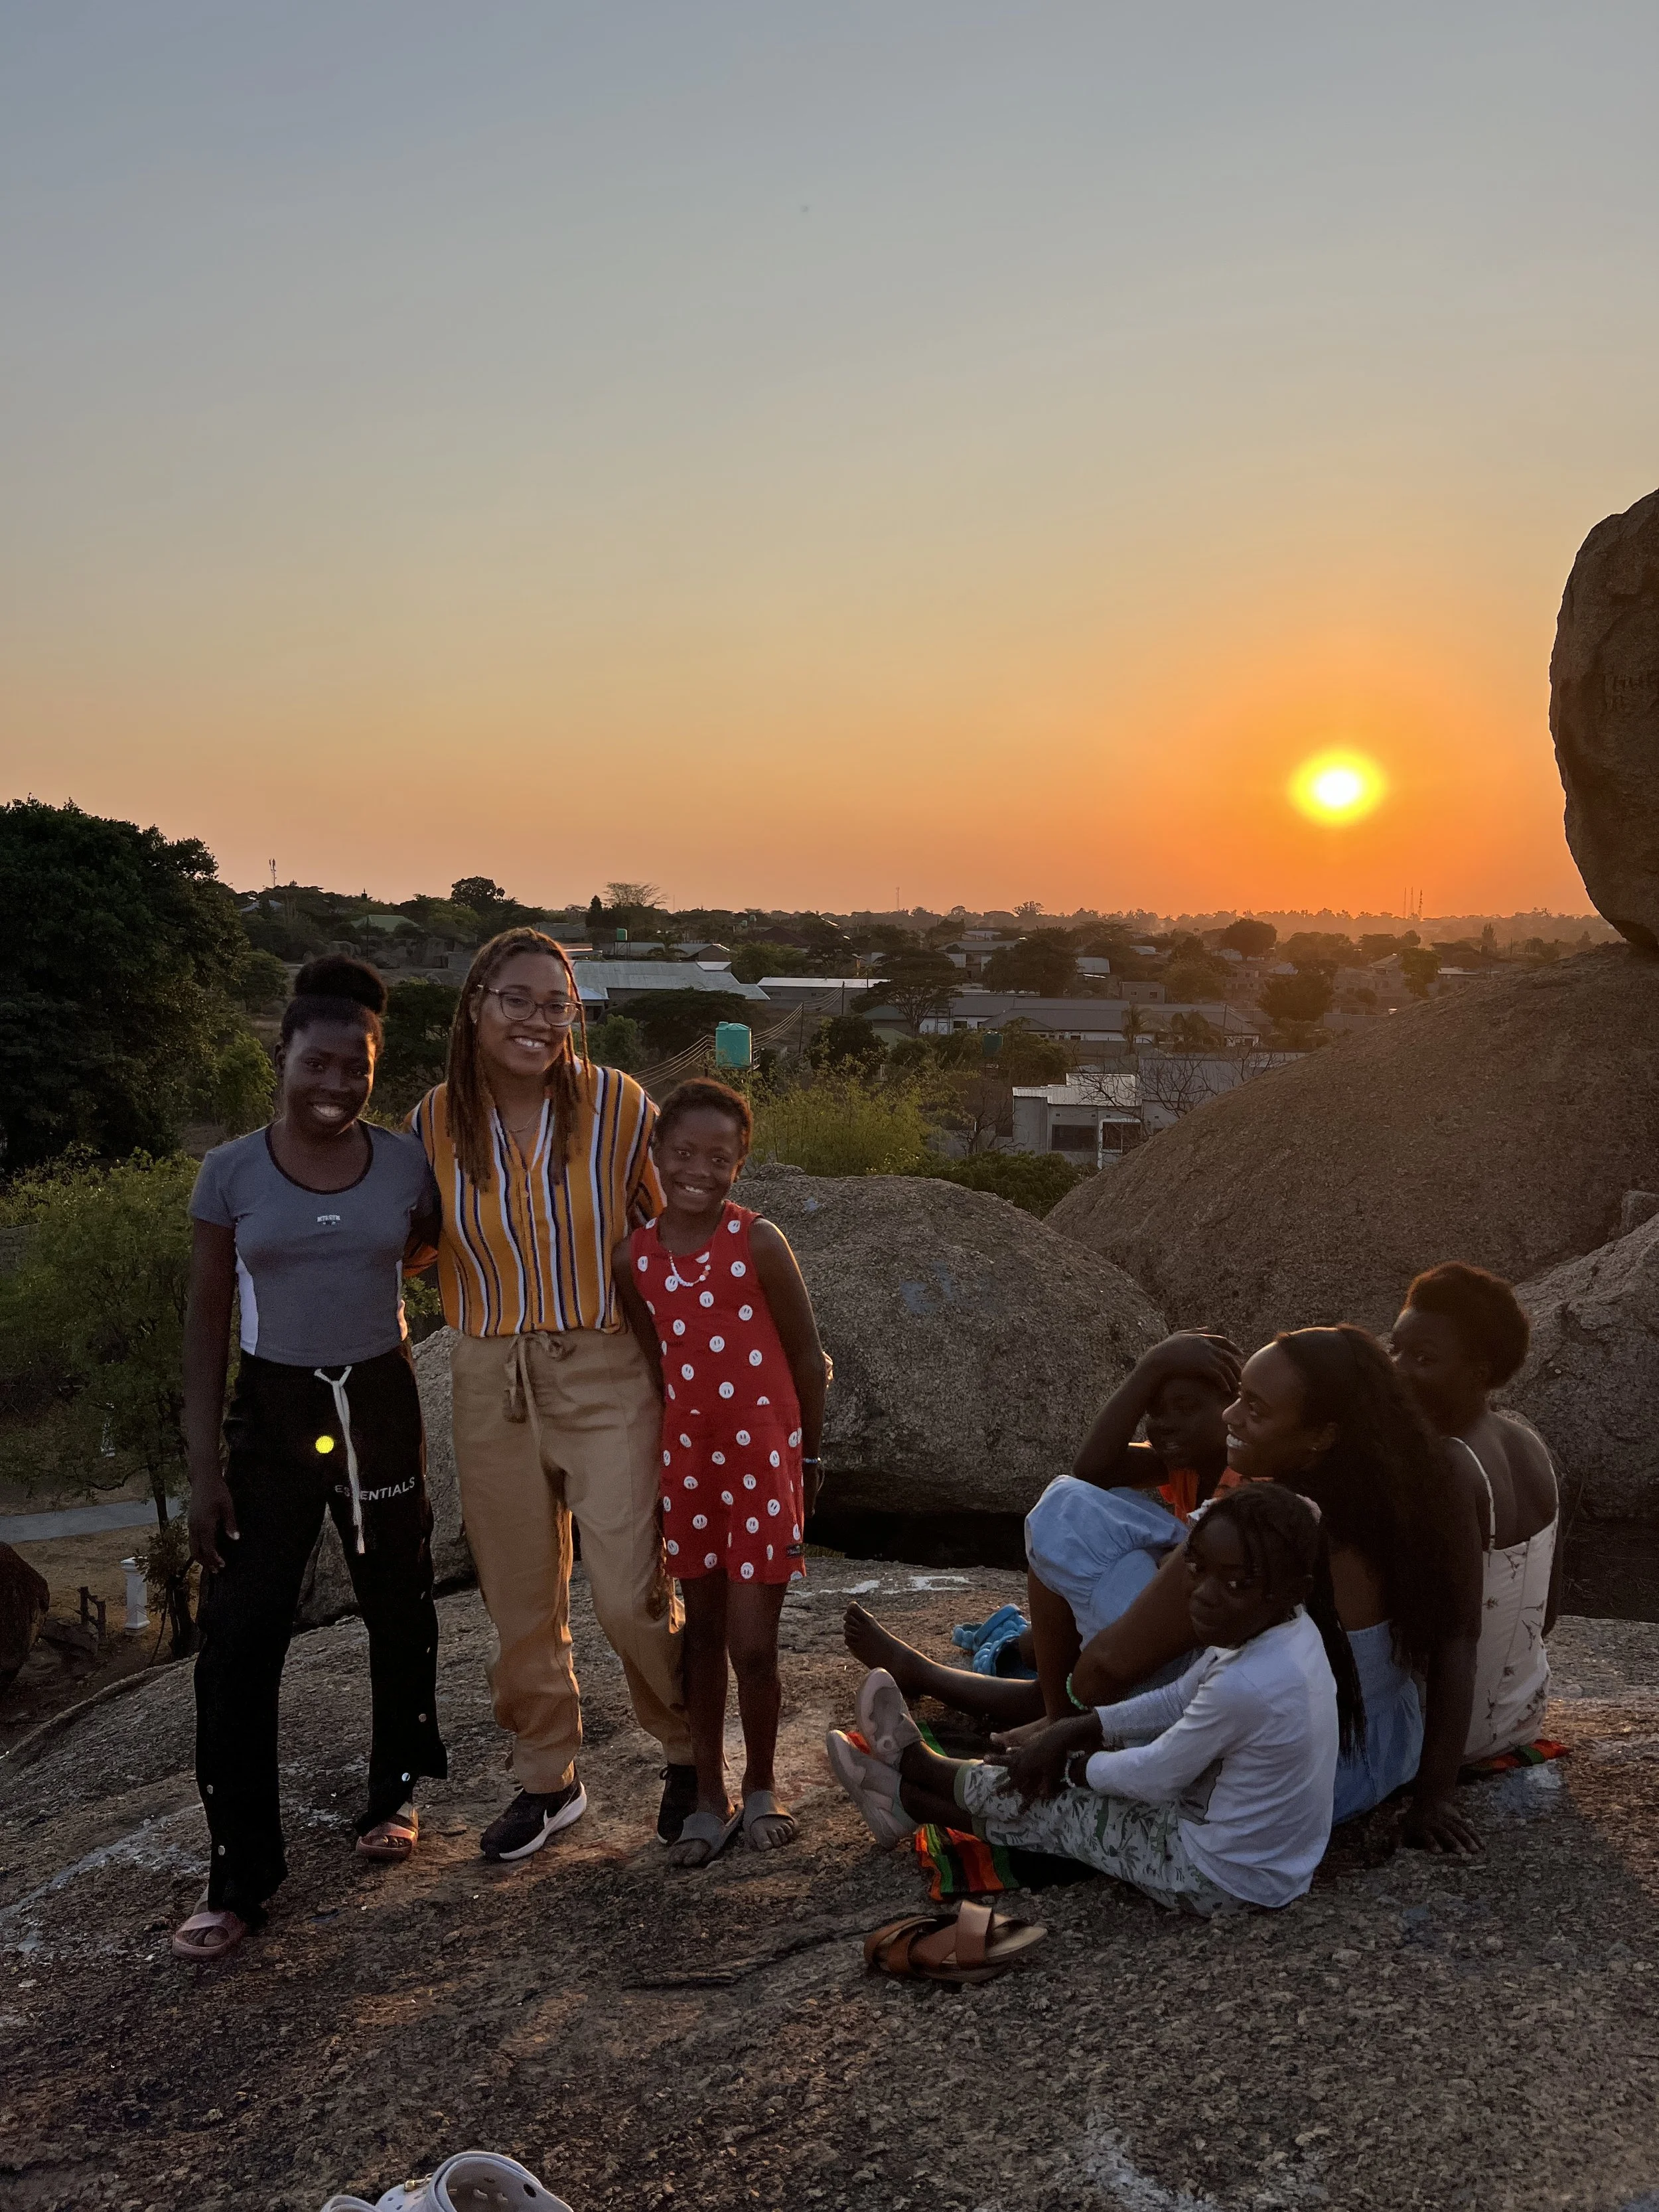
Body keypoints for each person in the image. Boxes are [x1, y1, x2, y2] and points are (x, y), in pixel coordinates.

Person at [177, 958, 448, 1961]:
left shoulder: (407, 1163)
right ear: (282, 1055)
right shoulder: (232, 1172)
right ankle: (240, 1874)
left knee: (398, 1597)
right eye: (318, 1061)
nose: (337, 1082)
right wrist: (204, 1471)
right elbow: (207, 1328)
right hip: (274, 1408)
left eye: (358, 1065)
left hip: (377, 1396)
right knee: (240, 1638)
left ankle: (396, 1792)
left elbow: (423, 1251)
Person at [410, 928, 695, 1862]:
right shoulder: (435, 1121)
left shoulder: (619, 1105)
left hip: (605, 1364)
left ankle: (689, 1749)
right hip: (489, 1370)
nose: (538, 1020)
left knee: (628, 1590)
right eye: (518, 999)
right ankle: (548, 1777)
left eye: (555, 1004)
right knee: (520, 1597)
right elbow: (415, 1240)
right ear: (477, 1002)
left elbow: (678, 1228)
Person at [829, 1485, 1360, 1915]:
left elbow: (1157, 1775)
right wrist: (1079, 1729)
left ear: (1292, 1588)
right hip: (1265, 1862)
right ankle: (904, 1795)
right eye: (1195, 1567)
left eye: (1236, 1582)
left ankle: (914, 1776)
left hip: (1219, 1878)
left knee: (1058, 1806)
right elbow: (1181, 1695)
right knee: (1065, 1787)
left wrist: (1074, 1767)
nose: (1203, 1592)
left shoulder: (1251, 1682)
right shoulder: (1288, 1631)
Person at [1066, 1326, 1486, 1853]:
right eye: (1239, 1394)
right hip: (1381, 1757)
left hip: (1282, 1781)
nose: (1230, 1417)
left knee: (1066, 1510)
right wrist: (1434, 1798)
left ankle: (1051, 1720)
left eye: (1255, 1408)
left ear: (1321, 1436)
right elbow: (1459, 1640)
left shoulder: (1270, 1529)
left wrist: (1073, 1699)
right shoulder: (1427, 1485)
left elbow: (1104, 1672)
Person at [614, 1078, 828, 1866]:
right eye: (682, 1153)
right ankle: (710, 1794)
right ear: (657, 1155)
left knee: (752, 1643)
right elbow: (656, 1359)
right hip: (692, 1465)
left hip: (762, 1460)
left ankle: (764, 1785)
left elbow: (808, 1360)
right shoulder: (633, 1259)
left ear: (740, 1162)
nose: (698, 1170)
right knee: (699, 1637)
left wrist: (808, 1460)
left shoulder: (758, 1242)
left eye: (719, 1157)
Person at [843, 1331, 1239, 1728]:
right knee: (1049, 1630)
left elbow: (1081, 1486)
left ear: (1235, 1410)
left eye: (1186, 1408)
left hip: (1203, 1650)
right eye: (1155, 1411)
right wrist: (1151, 1367)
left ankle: (964, 1686)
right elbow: (1095, 1469)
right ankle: (1040, 1694)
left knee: (1064, 1517)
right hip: (1178, 1624)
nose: (1166, 1426)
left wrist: (1155, 1365)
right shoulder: (1191, 1462)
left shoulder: (1249, 1485)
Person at [1390, 1262, 1561, 1760]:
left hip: (1444, 1734)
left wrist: (1433, 1797)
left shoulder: (1450, 1465)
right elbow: (1546, 1612)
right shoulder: (1528, 1442)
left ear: (1478, 1372)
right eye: (1394, 1348)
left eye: (1423, 1358)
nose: (1397, 1369)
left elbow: (1458, 1636)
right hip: (1522, 1712)